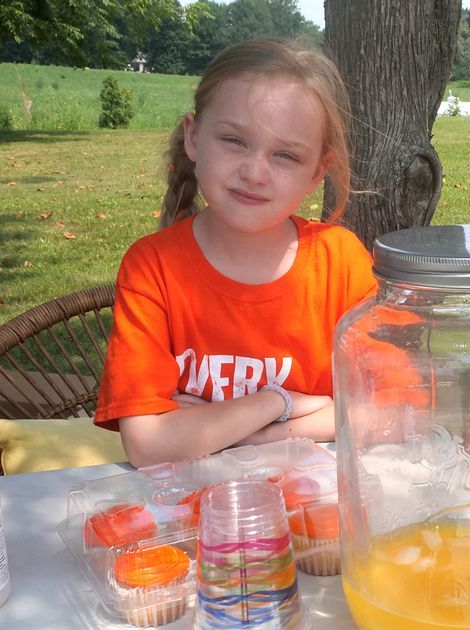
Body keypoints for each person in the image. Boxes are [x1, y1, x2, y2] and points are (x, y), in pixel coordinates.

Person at [95, 38, 377, 466]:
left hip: (313, 511)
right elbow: (147, 446)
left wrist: (240, 436)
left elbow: (388, 408)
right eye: (234, 140)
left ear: (317, 171)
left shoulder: (341, 262)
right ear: (193, 138)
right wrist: (276, 402)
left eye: (285, 155)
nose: (254, 172)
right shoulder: (154, 267)